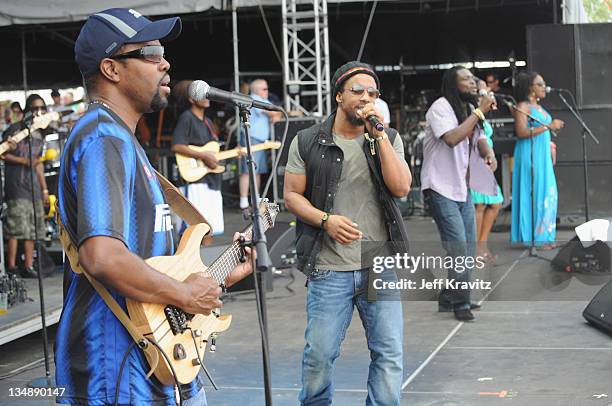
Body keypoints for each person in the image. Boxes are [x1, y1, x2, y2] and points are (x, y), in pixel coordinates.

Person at [55, 8, 253, 405]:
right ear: (111, 69)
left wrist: (216, 278)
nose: (165, 62)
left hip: (151, 364)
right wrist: (183, 293)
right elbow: (104, 258)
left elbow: (154, 262)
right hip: (114, 374)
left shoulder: (124, 143)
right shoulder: (102, 138)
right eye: (150, 52)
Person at [284, 61, 411, 405]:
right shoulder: (308, 140)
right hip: (328, 266)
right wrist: (326, 219)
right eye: (358, 91)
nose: (366, 98)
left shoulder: (387, 138)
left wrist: (380, 136)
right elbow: (292, 196)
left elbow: (401, 188)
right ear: (339, 95)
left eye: (372, 93)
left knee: (389, 354)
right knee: (319, 357)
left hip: (378, 264)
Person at [420, 66, 497, 321]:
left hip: (462, 188)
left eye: (474, 79)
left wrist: (489, 152)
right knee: (457, 247)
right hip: (440, 187)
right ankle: (460, 302)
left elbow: (478, 138)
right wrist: (479, 111)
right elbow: (452, 137)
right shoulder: (440, 108)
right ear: (453, 85)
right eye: (466, 79)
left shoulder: (467, 110)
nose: (473, 83)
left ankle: (449, 296)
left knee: (468, 246)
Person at [511, 71, 564, 247]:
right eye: (540, 84)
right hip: (530, 154)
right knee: (536, 193)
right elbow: (521, 132)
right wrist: (548, 126)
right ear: (530, 88)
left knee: (549, 193)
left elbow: (544, 132)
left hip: (542, 154)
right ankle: (536, 240)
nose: (544, 87)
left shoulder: (539, 107)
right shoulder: (523, 106)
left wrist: (551, 146)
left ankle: (545, 236)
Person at [2, 94, 50, 278]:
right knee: (16, 228)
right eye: (35, 109)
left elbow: (37, 164)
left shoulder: (40, 134)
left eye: (42, 109)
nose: (38, 112)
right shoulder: (15, 129)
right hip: (16, 186)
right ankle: (12, 266)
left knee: (33, 229)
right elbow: (3, 152)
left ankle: (29, 265)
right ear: (27, 110)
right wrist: (22, 160)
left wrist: (44, 189)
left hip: (34, 188)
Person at [171, 80, 224, 235]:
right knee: (193, 233)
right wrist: (202, 155)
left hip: (211, 182)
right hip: (195, 182)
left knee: (210, 231)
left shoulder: (208, 122)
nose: (207, 97)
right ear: (191, 99)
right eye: (202, 94)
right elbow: (177, 146)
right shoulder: (187, 118)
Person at [469, 80, 504, 263]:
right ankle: (476, 250)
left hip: (486, 163)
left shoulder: (482, 110)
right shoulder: (470, 109)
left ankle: (482, 245)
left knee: (495, 204)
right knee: (479, 206)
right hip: (475, 162)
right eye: (481, 88)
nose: (485, 91)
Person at [238, 78, 282, 212]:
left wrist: (275, 115)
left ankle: (254, 199)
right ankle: (244, 201)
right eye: (264, 89)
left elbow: (277, 113)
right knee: (247, 170)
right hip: (251, 138)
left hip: (260, 140)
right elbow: (274, 112)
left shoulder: (264, 100)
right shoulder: (254, 99)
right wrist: (274, 115)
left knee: (258, 171)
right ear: (256, 90)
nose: (267, 91)